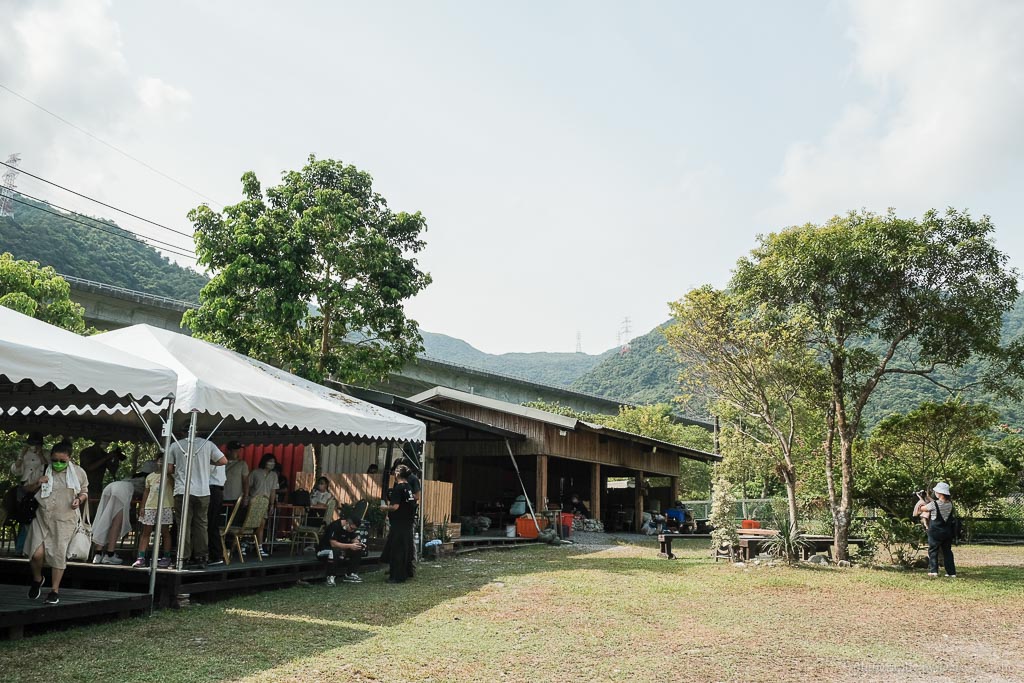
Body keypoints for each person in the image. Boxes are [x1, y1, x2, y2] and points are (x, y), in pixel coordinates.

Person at [24, 441, 88, 605]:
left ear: (69, 459)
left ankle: (54, 591)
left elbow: (84, 491)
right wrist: (38, 483)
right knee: (36, 553)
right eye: (55, 460)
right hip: (43, 517)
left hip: (65, 519)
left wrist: (79, 499)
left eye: (62, 461)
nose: (58, 464)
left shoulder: (78, 473)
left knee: (58, 555)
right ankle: (38, 579)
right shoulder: (44, 469)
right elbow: (27, 488)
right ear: (50, 458)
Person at [167, 430, 228, 569]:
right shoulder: (207, 444)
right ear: (197, 431)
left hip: (182, 490)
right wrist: (206, 463)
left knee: (184, 525)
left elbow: (169, 469)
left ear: (183, 432)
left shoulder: (175, 445)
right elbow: (223, 460)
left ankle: (183, 557)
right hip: (203, 490)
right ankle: (201, 556)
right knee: (201, 525)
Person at [91, 468, 148, 565]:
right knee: (116, 524)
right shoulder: (145, 482)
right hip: (121, 491)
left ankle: (98, 553)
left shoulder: (129, 480)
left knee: (104, 519)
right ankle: (110, 554)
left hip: (110, 487)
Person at [134, 456, 174, 568]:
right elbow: (146, 492)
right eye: (160, 460)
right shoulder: (150, 476)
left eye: (164, 460)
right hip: (150, 506)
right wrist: (142, 507)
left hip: (165, 506)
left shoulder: (170, 476)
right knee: (146, 531)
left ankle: (166, 556)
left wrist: (169, 472)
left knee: (165, 531)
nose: (161, 462)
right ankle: (141, 557)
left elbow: (173, 484)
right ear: (156, 462)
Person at [10, 432, 47, 554]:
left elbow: (47, 467)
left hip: (40, 488)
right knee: (24, 517)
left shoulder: (46, 453)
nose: (33, 446)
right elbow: (16, 471)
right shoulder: (24, 454)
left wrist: (40, 454)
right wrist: (21, 456)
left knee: (37, 518)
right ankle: (20, 549)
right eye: (31, 444)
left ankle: (33, 548)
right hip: (26, 488)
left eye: (36, 444)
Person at [380, 466, 417, 584]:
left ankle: (397, 576)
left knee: (397, 550)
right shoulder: (409, 487)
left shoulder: (399, 488)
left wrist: (385, 507)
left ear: (397, 474)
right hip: (407, 523)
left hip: (398, 523)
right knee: (406, 548)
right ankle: (407, 572)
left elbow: (395, 507)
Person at [913, 481, 958, 578]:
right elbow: (935, 503)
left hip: (935, 532)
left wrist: (921, 499)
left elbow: (923, 508)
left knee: (933, 551)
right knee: (947, 552)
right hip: (947, 532)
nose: (936, 493)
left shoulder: (934, 504)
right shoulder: (950, 504)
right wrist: (928, 497)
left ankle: (934, 571)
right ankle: (951, 572)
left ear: (940, 493)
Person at [318, 514, 366, 585]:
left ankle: (350, 574)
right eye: (352, 528)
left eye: (354, 529)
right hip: (324, 550)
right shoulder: (335, 526)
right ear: (347, 523)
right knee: (335, 551)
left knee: (358, 549)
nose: (352, 530)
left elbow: (354, 539)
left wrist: (359, 544)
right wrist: (350, 545)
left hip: (340, 550)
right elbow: (333, 544)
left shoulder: (350, 529)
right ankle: (330, 576)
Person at [248, 453, 279, 556]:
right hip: (253, 501)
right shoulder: (255, 472)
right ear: (264, 461)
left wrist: (272, 504)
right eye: (270, 461)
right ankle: (244, 544)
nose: (272, 463)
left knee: (261, 525)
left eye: (273, 462)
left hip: (265, 503)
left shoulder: (274, 475)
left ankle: (259, 547)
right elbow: (248, 486)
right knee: (249, 524)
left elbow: (273, 490)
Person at [78, 440, 114, 513]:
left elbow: (113, 470)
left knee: (96, 511)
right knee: (86, 511)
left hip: (97, 486)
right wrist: (106, 458)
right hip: (86, 485)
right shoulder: (86, 452)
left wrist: (115, 458)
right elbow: (89, 467)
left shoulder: (104, 454)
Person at [222, 441, 250, 528]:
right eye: (236, 451)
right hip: (221, 497)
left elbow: (245, 481)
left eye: (239, 451)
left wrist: (245, 496)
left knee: (234, 523)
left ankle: (231, 541)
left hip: (236, 499)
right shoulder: (220, 462)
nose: (238, 453)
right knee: (220, 522)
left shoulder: (242, 464)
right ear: (229, 451)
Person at [207, 447, 227, 566]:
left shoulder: (212, 458)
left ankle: (215, 555)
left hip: (212, 490)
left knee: (211, 524)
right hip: (216, 490)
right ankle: (214, 554)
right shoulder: (217, 457)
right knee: (211, 524)